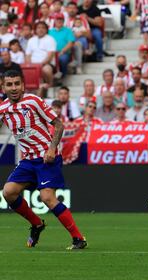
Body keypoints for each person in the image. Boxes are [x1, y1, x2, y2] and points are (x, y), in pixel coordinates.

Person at [0, 70, 87, 250]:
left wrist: (52, 148)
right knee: (8, 192)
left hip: (46, 157)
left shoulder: (34, 101)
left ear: (23, 85)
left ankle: (78, 238)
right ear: (3, 87)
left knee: (47, 197)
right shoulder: (3, 109)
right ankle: (37, 224)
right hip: (27, 161)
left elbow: (59, 125)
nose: (14, 88)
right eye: (9, 84)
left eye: (17, 83)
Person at [49, 13, 75, 77]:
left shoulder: (68, 30)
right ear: (55, 21)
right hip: (51, 53)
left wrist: (62, 51)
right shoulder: (50, 31)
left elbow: (71, 42)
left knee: (62, 59)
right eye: (57, 19)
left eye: (61, 19)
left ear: (63, 21)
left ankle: (63, 76)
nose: (59, 21)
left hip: (64, 52)